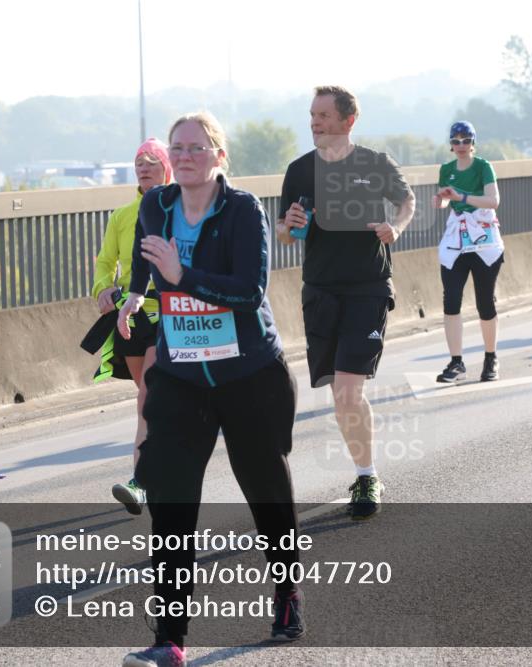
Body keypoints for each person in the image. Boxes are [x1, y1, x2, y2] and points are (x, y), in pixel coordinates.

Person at [117, 112, 304, 666]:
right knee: (172, 508)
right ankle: (169, 639)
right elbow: (145, 255)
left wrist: (183, 277)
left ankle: (286, 591)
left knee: (266, 494)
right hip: (182, 377)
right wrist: (133, 294)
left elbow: (249, 290)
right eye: (179, 148)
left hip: (249, 375)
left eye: (199, 147)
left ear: (219, 156)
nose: (187, 155)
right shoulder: (158, 204)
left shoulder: (242, 210)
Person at [276, 86, 415, 520]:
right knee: (339, 394)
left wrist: (397, 227)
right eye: (312, 114)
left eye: (323, 115)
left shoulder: (375, 164)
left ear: (347, 120)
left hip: (368, 287)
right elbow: (284, 230)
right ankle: (364, 470)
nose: (314, 121)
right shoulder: (299, 170)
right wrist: (288, 226)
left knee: (351, 390)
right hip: (320, 289)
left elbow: (406, 201)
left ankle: (367, 475)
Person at [89, 138, 172, 515]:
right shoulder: (122, 215)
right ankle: (162, 465)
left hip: (170, 312)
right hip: (131, 315)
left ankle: (140, 481)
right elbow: (106, 262)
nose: (144, 166)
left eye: (153, 160)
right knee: (150, 398)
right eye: (139, 161)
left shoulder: (181, 206)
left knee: (148, 397)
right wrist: (103, 288)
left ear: (167, 166)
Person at [432, 120, 504, 383]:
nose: (460, 146)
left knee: (485, 301)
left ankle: (490, 357)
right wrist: (440, 200)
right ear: (450, 145)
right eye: (455, 141)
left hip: (483, 238)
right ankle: (456, 361)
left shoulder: (484, 167)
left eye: (465, 140)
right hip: (457, 240)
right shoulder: (446, 169)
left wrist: (461, 196)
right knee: (451, 300)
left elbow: (493, 200)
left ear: (473, 142)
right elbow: (444, 202)